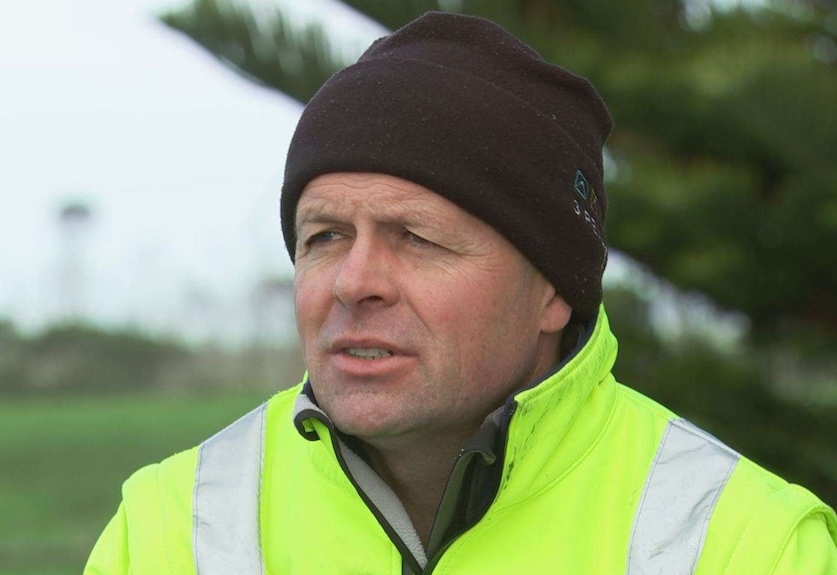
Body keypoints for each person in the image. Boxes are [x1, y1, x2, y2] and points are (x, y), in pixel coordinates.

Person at [85, 11, 837, 575]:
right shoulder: (164, 529)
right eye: (324, 236)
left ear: (551, 289)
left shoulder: (748, 543)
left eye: (416, 238)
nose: (354, 282)